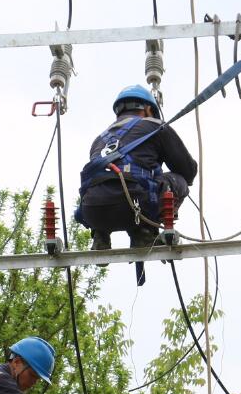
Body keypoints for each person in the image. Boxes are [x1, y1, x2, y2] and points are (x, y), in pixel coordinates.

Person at [76, 85, 198, 284]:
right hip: (135, 205)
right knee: (178, 181)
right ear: (148, 109)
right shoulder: (155, 126)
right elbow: (187, 170)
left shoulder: (99, 140)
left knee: (109, 185)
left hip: (93, 212)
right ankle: (145, 232)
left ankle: (101, 236)